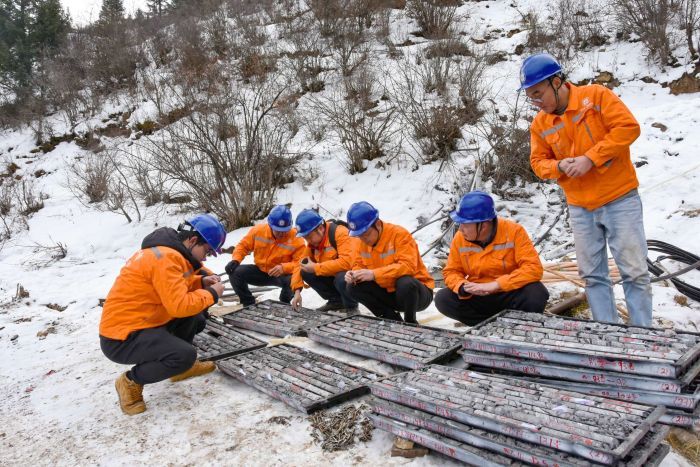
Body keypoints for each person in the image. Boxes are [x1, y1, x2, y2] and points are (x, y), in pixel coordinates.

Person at [521, 52, 652, 327]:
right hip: (580, 206)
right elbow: (538, 163)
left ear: (557, 82)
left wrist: (591, 158)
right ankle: (607, 332)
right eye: (530, 97)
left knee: (634, 271)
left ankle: (643, 333)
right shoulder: (541, 124)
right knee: (592, 276)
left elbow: (628, 128)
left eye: (538, 94)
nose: (536, 102)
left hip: (619, 198)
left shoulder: (596, 97)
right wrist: (558, 166)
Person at [100, 214, 227, 415]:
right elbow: (179, 306)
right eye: (207, 251)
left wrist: (200, 282)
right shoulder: (165, 258)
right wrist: (211, 293)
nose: (205, 258)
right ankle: (130, 381)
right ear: (193, 240)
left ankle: (181, 369)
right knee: (183, 355)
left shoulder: (168, 253)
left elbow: (173, 286)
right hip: (121, 338)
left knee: (196, 318)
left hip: (144, 322)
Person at [434, 192, 549, 326]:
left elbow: (533, 268)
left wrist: (497, 285)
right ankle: (486, 326)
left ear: (483, 225)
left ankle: (517, 325)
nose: (461, 229)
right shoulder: (460, 238)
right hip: (478, 296)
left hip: (509, 292)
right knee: (443, 298)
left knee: (536, 293)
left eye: (465, 224)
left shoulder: (514, 231)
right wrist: (463, 287)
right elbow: (451, 271)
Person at [344, 201, 434, 323]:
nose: (363, 239)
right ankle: (391, 319)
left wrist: (374, 274)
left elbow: (408, 266)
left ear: (377, 224)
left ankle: (410, 322)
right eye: (359, 235)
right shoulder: (360, 242)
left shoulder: (399, 234)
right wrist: (354, 275)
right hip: (388, 292)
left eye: (366, 234)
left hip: (416, 294)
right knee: (353, 287)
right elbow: (357, 264)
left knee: (405, 283)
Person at [225, 205, 305, 306]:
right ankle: (248, 304)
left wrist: (284, 268)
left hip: (281, 276)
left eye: (285, 230)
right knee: (235, 272)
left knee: (293, 279)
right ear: (270, 225)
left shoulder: (297, 239)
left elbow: (301, 263)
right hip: (260, 271)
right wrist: (236, 260)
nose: (281, 234)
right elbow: (243, 246)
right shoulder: (258, 231)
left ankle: (284, 303)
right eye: (278, 230)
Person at [290, 209, 359, 312]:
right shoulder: (313, 243)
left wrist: (316, 267)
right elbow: (300, 264)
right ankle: (336, 302)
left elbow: (347, 263)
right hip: (333, 277)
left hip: (353, 277)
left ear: (320, 229)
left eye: (309, 237)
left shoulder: (340, 233)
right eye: (305, 238)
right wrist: (297, 291)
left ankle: (352, 307)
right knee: (305, 271)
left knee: (341, 277)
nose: (308, 241)